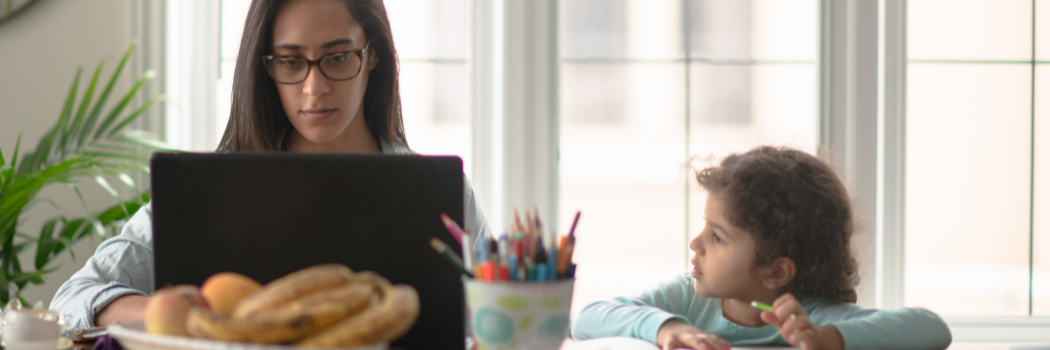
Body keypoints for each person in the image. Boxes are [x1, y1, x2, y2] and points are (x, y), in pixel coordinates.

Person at [50, 0, 491, 329]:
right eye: (291, 61)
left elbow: (503, 316)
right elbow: (73, 297)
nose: (313, 88)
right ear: (265, 67)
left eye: (337, 57)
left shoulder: (444, 194)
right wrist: (178, 319)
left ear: (372, 55)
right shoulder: (213, 190)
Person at [570, 146, 951, 350]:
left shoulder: (812, 317)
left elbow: (932, 328)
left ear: (775, 271)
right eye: (705, 227)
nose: (696, 244)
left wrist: (827, 341)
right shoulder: (686, 298)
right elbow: (587, 318)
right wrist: (666, 328)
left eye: (717, 237)